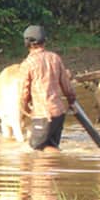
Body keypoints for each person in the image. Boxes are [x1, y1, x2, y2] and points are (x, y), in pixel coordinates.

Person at [18, 24, 77, 152]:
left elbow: (23, 93)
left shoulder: (27, 64)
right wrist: (72, 101)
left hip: (42, 115)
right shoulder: (55, 58)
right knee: (50, 148)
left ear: (27, 43)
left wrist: (25, 109)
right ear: (44, 41)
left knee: (36, 151)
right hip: (59, 115)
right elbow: (67, 87)